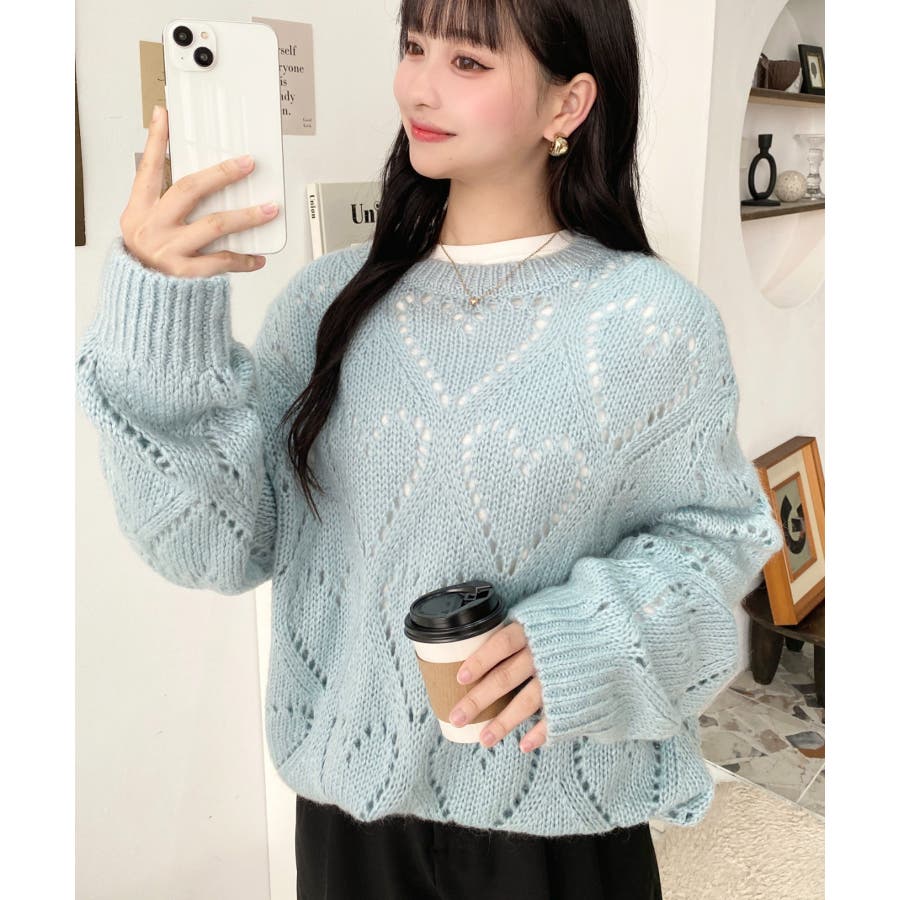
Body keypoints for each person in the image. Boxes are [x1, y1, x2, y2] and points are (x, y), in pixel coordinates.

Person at [75, 0, 785, 897]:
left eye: (468, 62)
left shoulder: (652, 320)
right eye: (415, 47)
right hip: (351, 820)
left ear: (567, 105)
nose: (418, 85)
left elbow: (711, 549)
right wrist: (159, 326)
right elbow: (216, 548)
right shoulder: (327, 303)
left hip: (557, 820)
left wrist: (585, 640)